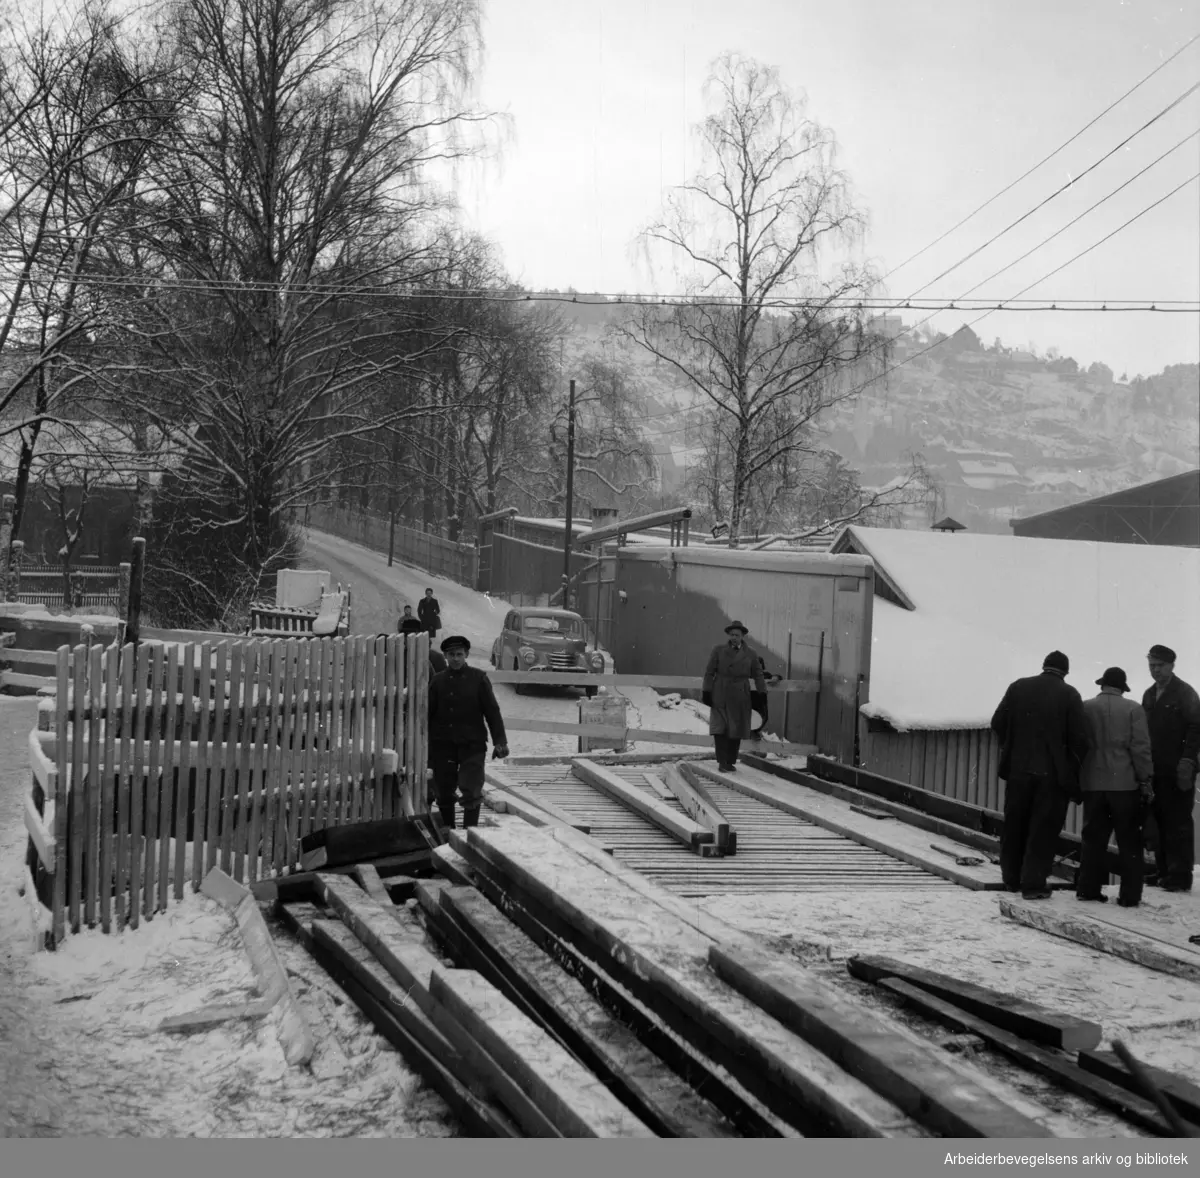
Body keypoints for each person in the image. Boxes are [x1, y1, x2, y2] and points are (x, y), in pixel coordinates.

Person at [990, 650, 1090, 900]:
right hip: (1052, 776)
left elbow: (997, 722)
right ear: (1065, 672)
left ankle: (1011, 879)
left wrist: (1011, 746)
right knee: (1042, 829)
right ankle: (1033, 884)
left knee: (1015, 824)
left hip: (1018, 771)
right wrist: (1070, 768)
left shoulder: (1018, 687)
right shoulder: (1069, 694)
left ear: (1044, 666)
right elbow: (1080, 740)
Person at [1076, 667, 1154, 908]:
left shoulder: (1085, 708)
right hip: (1124, 785)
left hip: (1093, 784)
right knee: (1129, 841)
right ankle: (1130, 896)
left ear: (1102, 685)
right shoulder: (1133, 709)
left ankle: (1088, 890)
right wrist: (1145, 779)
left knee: (1093, 838)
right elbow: (1140, 749)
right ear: (1122, 688)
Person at [427, 635, 509, 830]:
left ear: (466, 655)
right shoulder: (437, 682)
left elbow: (492, 711)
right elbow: (428, 716)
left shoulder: (478, 679)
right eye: (451, 655)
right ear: (445, 656)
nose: (455, 659)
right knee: (444, 791)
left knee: (471, 789)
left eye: (459, 654)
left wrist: (500, 741)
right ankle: (448, 833)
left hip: (472, 744)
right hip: (443, 745)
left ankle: (470, 834)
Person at [1142, 644, 1200, 893]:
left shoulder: (1185, 693)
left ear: (1171, 665)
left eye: (1160, 665)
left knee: (1178, 822)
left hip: (1178, 769)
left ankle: (1180, 875)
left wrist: (1188, 761)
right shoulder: (1148, 694)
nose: (1155, 670)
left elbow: (1197, 728)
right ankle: (1164, 870)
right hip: (1155, 769)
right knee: (1160, 819)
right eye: (1151, 665)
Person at [702, 620, 767, 773]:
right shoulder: (718, 650)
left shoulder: (750, 653)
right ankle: (722, 762)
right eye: (731, 634)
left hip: (740, 695)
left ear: (743, 636)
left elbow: (758, 674)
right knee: (721, 729)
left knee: (736, 728)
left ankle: (730, 761)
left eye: (737, 635)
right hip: (721, 692)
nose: (734, 637)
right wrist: (706, 691)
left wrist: (762, 692)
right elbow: (709, 672)